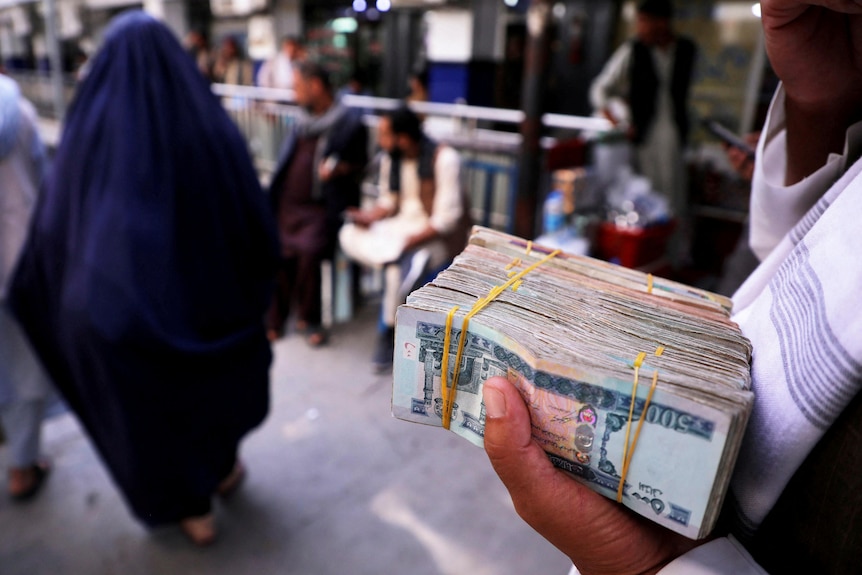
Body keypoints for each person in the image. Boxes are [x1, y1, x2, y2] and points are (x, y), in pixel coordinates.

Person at [483, 0, 862, 573]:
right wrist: (819, 104)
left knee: (670, 225)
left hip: (671, 147)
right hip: (641, 148)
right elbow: (797, 241)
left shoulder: (681, 51)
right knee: (646, 222)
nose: (651, 29)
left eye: (656, 20)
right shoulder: (631, 55)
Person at [8, 12, 279, 545]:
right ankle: (223, 470)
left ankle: (191, 509)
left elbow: (59, 227)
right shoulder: (209, 126)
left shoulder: (96, 142)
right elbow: (254, 217)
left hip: (133, 321)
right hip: (216, 312)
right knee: (215, 398)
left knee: (157, 419)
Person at [339, 106, 470, 372]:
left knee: (394, 271)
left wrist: (407, 242)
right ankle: (392, 256)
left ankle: (387, 334)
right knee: (348, 233)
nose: (381, 141)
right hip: (398, 231)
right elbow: (389, 201)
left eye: (386, 135)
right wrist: (370, 217)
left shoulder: (445, 160)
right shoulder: (393, 159)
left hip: (435, 238)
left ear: (405, 138)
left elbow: (445, 221)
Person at [267, 61, 368, 346]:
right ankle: (276, 318)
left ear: (316, 86)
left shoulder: (349, 123)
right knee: (278, 253)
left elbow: (361, 165)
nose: (294, 93)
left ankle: (310, 319)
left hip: (320, 207)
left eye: (297, 86)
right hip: (288, 204)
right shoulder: (301, 122)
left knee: (310, 254)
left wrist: (339, 170)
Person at [589, 0, 696, 222]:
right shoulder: (633, 50)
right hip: (645, 137)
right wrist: (616, 120)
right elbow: (600, 89)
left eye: (644, 22)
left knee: (675, 193)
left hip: (675, 134)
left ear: (662, 23)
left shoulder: (685, 49)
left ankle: (673, 249)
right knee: (649, 194)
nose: (640, 28)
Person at [0, 74, 53, 501]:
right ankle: (22, 463)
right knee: (26, 366)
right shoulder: (20, 114)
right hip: (18, 265)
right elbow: (45, 185)